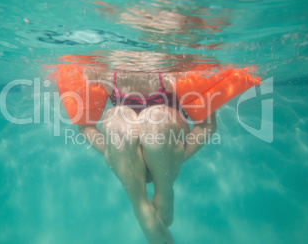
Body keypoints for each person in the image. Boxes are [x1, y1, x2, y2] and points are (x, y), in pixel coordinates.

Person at [54, 53, 260, 244]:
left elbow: (206, 126)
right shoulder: (103, 72)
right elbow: (86, 128)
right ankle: (142, 210)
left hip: (166, 150)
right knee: (117, 119)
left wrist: (174, 162)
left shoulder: (177, 69)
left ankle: (164, 193)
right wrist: (111, 155)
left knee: (154, 118)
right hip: (126, 159)